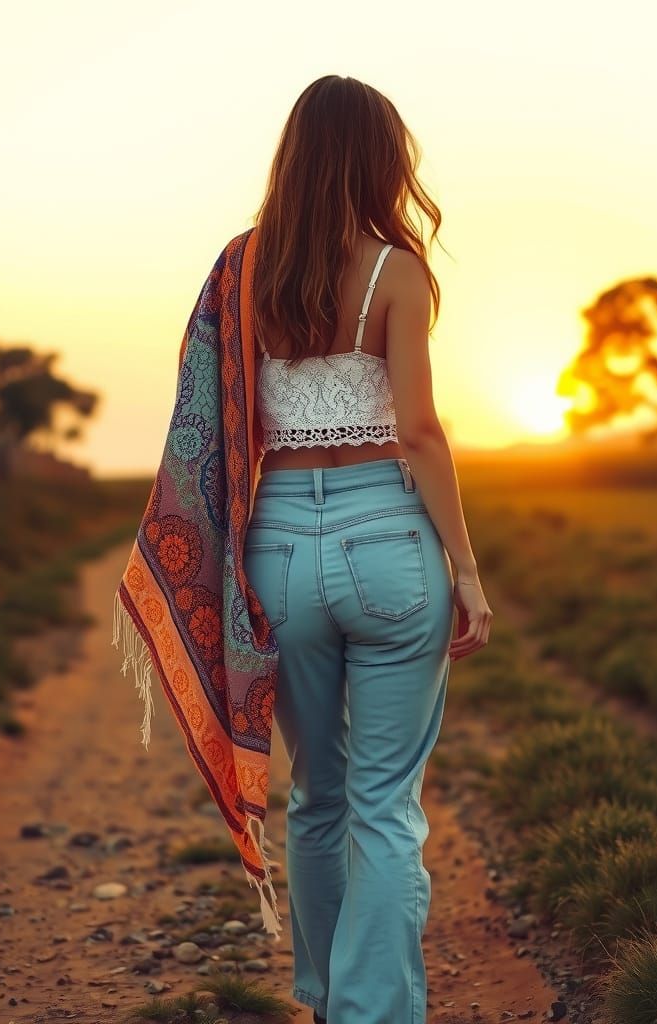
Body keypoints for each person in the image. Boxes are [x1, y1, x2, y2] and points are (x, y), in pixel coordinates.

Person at [242, 75, 492, 1024]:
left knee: (317, 796)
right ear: (383, 161)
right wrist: (465, 571)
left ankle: (323, 997)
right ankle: (371, 1012)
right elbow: (422, 433)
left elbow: (221, 421)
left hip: (278, 552)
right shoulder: (397, 272)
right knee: (385, 805)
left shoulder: (248, 272)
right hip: (386, 535)